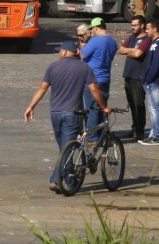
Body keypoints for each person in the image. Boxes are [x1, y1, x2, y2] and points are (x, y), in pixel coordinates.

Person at [23, 40, 110, 193]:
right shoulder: (84, 68)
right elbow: (95, 90)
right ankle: (56, 180)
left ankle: (69, 178)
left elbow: (42, 88)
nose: (59, 53)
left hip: (55, 113)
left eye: (60, 50)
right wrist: (104, 107)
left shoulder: (53, 66)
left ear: (64, 52)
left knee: (64, 148)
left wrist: (31, 106)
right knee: (66, 149)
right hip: (72, 114)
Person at [117, 15, 152, 140]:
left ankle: (140, 131)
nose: (132, 27)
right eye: (131, 25)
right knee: (132, 105)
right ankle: (134, 129)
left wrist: (131, 51)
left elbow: (138, 54)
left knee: (139, 105)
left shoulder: (147, 39)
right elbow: (120, 50)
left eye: (135, 25)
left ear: (142, 25)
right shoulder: (132, 37)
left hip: (139, 76)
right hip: (128, 75)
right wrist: (133, 50)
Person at [79, 21, 118, 133]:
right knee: (102, 107)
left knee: (93, 109)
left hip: (92, 79)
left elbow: (82, 55)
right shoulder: (113, 42)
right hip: (105, 79)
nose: (91, 32)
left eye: (92, 29)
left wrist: (82, 44)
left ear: (96, 28)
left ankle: (92, 138)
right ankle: (103, 135)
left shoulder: (95, 41)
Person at [138, 20, 159, 145]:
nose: (146, 31)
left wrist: (148, 79)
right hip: (150, 81)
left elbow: (156, 64)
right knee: (152, 108)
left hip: (155, 81)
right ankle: (153, 133)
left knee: (155, 108)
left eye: (148, 28)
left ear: (155, 29)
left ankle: (157, 136)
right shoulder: (154, 43)